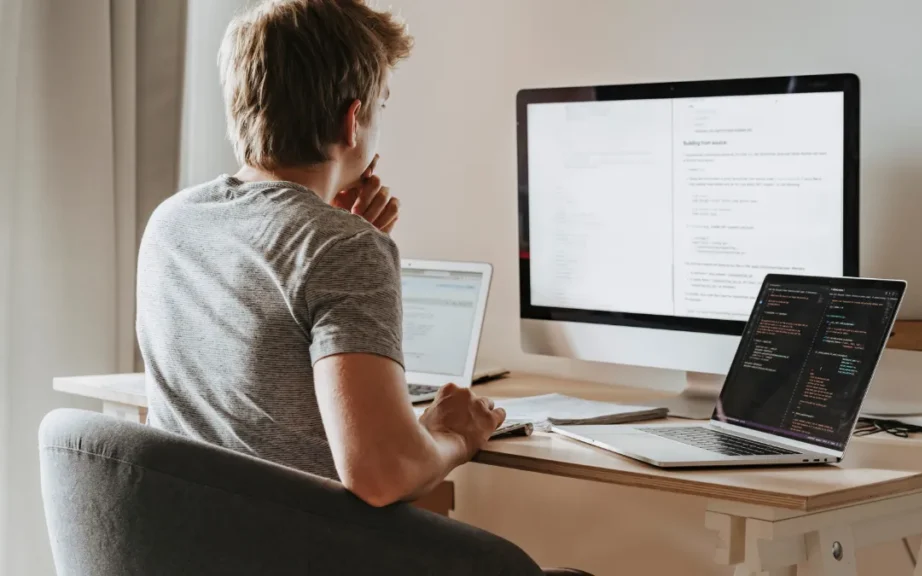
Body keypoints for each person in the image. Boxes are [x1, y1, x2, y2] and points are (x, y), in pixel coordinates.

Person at [135, 1, 587, 574]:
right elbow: (381, 473)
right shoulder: (342, 246)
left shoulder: (172, 223)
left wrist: (336, 231)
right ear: (353, 121)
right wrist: (450, 434)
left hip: (201, 551)